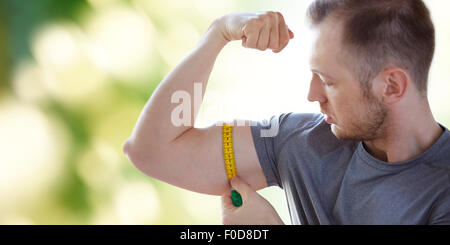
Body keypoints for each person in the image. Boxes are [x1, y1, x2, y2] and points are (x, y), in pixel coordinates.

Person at [123, 0, 450, 225]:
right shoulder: (302, 142)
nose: (312, 95)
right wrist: (218, 34)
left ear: (391, 85)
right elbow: (152, 151)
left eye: (328, 81)